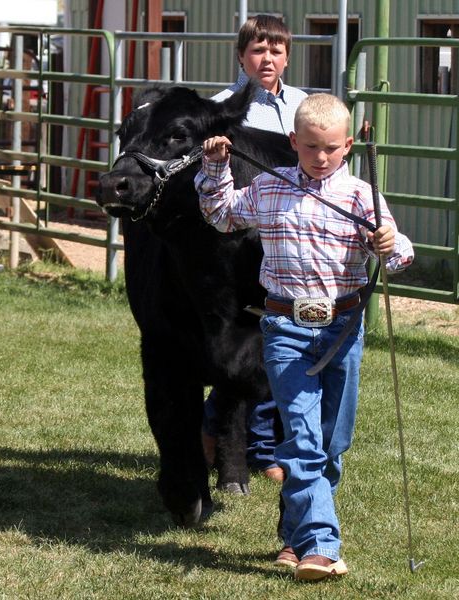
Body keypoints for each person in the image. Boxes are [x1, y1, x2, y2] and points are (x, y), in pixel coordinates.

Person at [194, 93, 414, 582]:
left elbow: (400, 256)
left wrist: (388, 243)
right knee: (302, 436)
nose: (320, 157)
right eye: (310, 147)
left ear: (349, 146)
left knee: (333, 442)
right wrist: (214, 168)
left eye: (331, 149)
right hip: (285, 329)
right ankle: (321, 545)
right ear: (293, 141)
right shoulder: (271, 188)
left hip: (342, 330)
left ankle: (295, 537)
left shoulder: (361, 196)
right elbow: (222, 214)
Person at [203, 14, 308, 482]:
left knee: (280, 339)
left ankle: (264, 445)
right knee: (244, 344)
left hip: (289, 241)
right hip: (238, 239)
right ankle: (225, 435)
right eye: (258, 50)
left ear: (288, 55)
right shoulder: (221, 109)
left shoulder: (305, 105)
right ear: (241, 55)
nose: (268, 59)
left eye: (276, 50)